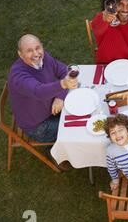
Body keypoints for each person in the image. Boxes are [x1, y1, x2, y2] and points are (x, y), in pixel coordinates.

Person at [8, 34, 78, 170]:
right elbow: (38, 91)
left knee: (80, 110)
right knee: (76, 128)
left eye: (37, 48)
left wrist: (60, 96)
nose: (36, 53)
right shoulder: (18, 76)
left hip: (51, 107)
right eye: (29, 50)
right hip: (37, 125)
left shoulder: (44, 57)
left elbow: (64, 70)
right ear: (20, 54)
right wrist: (63, 85)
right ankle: (54, 152)